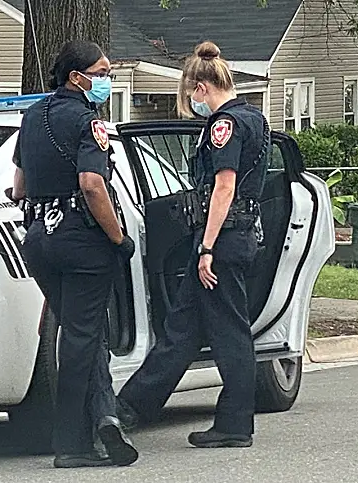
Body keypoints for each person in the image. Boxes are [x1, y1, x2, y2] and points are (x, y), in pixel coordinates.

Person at [114, 40, 270, 448]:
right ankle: (131, 407)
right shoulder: (255, 118)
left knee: (230, 333)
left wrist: (206, 248)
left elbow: (224, 187)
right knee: (182, 328)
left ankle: (235, 424)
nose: (192, 103)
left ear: (201, 87)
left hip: (223, 237)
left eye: (190, 95)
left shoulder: (224, 125)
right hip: (239, 233)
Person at [7, 39, 139, 469]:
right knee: (82, 338)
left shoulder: (31, 117)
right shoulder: (89, 122)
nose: (106, 80)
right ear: (76, 77)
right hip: (81, 239)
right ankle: (71, 443)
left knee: (82, 331)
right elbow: (92, 183)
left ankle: (104, 418)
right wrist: (118, 238)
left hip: (39, 241)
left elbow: (20, 187)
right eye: (101, 73)